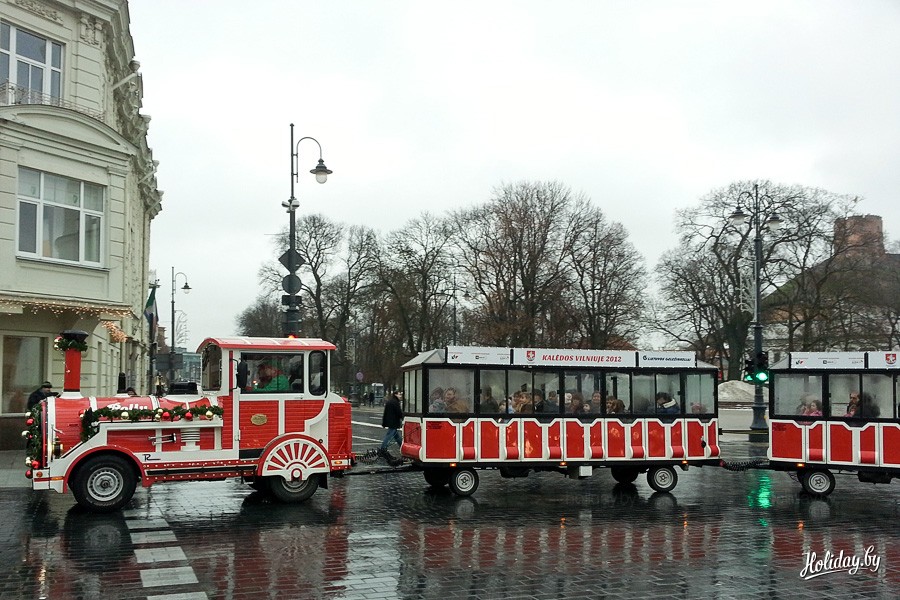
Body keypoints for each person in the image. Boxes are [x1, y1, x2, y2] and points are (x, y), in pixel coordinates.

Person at [380, 390, 404, 454]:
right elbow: (398, 412)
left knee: (396, 436)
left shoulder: (389, 402)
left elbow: (385, 413)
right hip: (394, 422)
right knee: (389, 436)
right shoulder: (396, 402)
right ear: (395, 395)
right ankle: (382, 449)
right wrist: (403, 417)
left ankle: (402, 447)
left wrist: (384, 422)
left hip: (389, 421)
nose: (400, 396)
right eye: (399, 394)